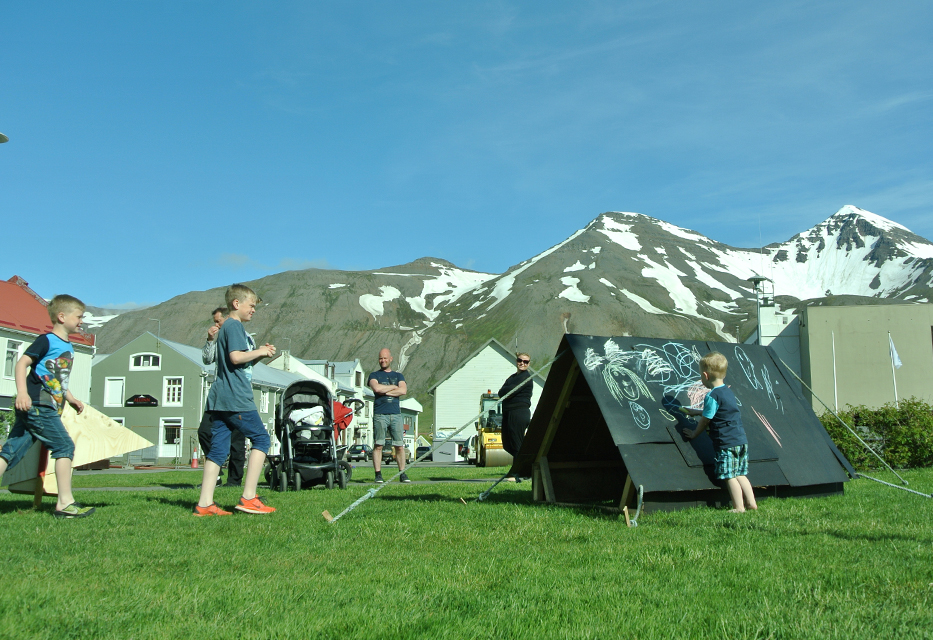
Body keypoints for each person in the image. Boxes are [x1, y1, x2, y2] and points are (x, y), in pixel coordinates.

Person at [0, 295, 95, 518]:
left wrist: (71, 398)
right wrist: (22, 393)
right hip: (39, 405)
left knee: (11, 451)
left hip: (43, 405)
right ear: (62, 317)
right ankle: (65, 503)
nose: (81, 321)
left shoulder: (67, 346)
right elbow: (22, 363)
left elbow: (57, 378)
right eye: (79, 316)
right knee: (65, 447)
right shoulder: (47, 340)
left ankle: (65, 502)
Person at [194, 284, 277, 516]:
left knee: (218, 452)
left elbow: (239, 363)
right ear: (236, 304)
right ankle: (249, 497)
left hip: (220, 399)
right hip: (236, 398)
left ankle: (204, 504)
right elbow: (236, 357)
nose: (254, 310)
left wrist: (259, 354)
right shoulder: (234, 326)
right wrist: (259, 351)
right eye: (251, 306)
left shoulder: (227, 328)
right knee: (261, 439)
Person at [681, 351, 758, 513]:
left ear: (705, 375)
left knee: (730, 475)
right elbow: (719, 411)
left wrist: (695, 433)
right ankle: (751, 503)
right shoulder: (727, 392)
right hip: (740, 440)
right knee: (741, 474)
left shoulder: (712, 396)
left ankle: (738, 507)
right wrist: (696, 412)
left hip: (726, 443)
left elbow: (706, 420)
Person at [197, 306, 245, 487]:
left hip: (237, 395)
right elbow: (207, 360)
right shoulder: (218, 342)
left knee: (237, 440)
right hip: (218, 396)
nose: (216, 325)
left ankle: (234, 481)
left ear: (227, 319)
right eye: (215, 322)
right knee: (204, 431)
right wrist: (210, 339)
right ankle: (215, 470)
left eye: (218, 321)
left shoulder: (240, 337)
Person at [368, 348, 410, 484]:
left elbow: (403, 390)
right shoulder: (373, 375)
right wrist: (394, 388)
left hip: (396, 414)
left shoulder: (399, 376)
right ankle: (378, 474)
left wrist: (385, 390)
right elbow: (377, 388)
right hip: (380, 414)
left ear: (391, 359)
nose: (383, 361)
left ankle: (402, 473)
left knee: (399, 446)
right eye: (381, 358)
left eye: (385, 358)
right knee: (378, 444)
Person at [499, 352, 533, 460]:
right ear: (516, 361)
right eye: (520, 360)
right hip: (508, 412)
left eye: (525, 361)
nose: (522, 363)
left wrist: (508, 392)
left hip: (519, 412)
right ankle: (521, 468)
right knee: (507, 444)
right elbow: (501, 392)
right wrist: (507, 392)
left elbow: (509, 392)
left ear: (529, 364)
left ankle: (519, 471)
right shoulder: (512, 377)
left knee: (516, 444)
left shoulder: (526, 377)